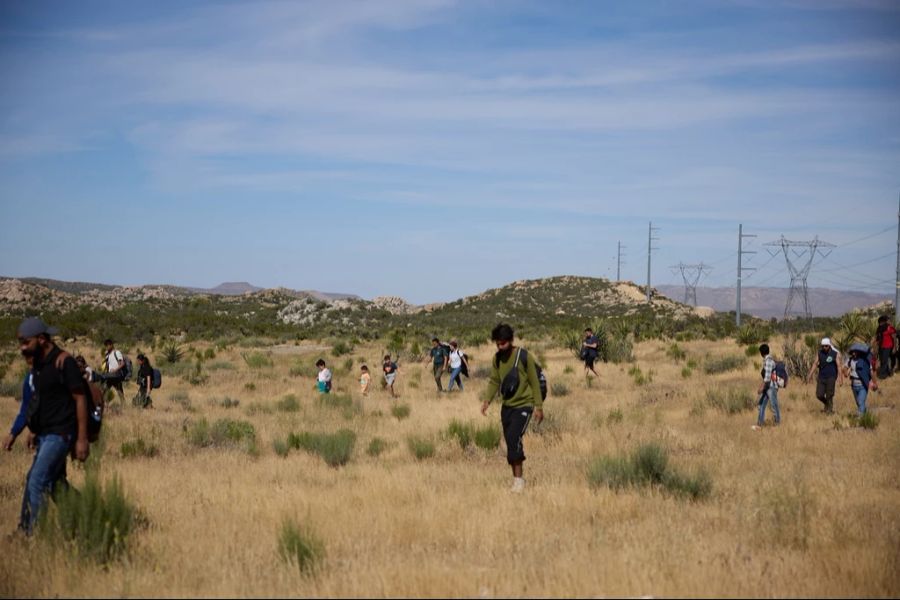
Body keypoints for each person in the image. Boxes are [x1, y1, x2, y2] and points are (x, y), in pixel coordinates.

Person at [15, 317, 89, 535]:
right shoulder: (39, 366)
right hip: (46, 434)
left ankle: (34, 534)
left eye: (25, 342)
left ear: (41, 339)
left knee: (37, 481)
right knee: (53, 483)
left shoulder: (63, 362)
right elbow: (42, 400)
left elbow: (80, 399)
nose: (22, 348)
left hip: (61, 434)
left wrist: (82, 439)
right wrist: (33, 429)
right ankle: (86, 513)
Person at [480, 323, 544, 493]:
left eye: (503, 343)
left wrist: (538, 406)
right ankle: (517, 479)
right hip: (507, 406)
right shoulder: (497, 359)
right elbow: (494, 380)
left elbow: (534, 382)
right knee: (510, 441)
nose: (500, 347)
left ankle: (519, 481)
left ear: (510, 340)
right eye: (497, 344)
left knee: (514, 437)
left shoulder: (524, 356)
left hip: (524, 404)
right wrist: (487, 400)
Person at [2, 355, 34, 452]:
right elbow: (26, 408)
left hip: (57, 434)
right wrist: (13, 434)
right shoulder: (30, 378)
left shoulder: (53, 373)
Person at [806, 337, 843, 415]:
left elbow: (839, 366)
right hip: (821, 377)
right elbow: (815, 364)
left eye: (826, 346)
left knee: (829, 394)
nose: (824, 347)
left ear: (829, 346)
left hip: (831, 377)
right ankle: (827, 404)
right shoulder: (819, 353)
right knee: (819, 394)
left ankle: (829, 411)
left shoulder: (835, 353)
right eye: (823, 346)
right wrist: (810, 375)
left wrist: (840, 377)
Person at [752, 343, 781, 430]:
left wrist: (761, 388)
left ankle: (777, 423)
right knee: (761, 405)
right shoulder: (769, 360)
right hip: (768, 387)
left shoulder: (768, 361)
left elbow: (767, 378)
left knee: (774, 405)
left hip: (771, 387)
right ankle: (759, 424)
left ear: (761, 353)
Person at [844, 347, 877, 416]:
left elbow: (871, 372)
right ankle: (866, 414)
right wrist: (845, 372)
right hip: (854, 385)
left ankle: (861, 419)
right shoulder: (849, 360)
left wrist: (874, 383)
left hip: (863, 385)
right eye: (853, 352)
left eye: (855, 352)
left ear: (859, 352)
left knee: (860, 401)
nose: (854, 353)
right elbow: (845, 368)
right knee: (858, 403)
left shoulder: (865, 361)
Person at [102, 338, 126, 407]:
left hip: (116, 375)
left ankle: (124, 406)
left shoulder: (117, 352)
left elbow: (122, 363)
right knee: (105, 391)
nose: (107, 347)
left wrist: (115, 370)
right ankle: (105, 405)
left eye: (108, 345)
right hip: (110, 376)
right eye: (106, 345)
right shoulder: (108, 355)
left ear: (111, 345)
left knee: (119, 392)